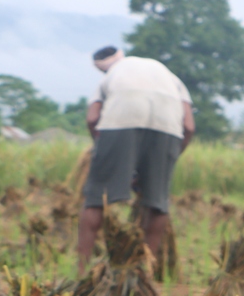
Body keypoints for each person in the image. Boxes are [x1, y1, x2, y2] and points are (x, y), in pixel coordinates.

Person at [78, 45, 194, 272]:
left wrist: (102, 150)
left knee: (96, 198)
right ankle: (145, 271)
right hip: (167, 127)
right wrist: (171, 157)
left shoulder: (113, 73)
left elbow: (93, 119)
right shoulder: (169, 76)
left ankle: (81, 271)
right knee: (157, 202)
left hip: (121, 122)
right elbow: (188, 126)